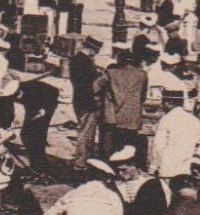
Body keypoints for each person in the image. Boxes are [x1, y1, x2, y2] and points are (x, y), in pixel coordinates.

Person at [101, 45, 149, 166]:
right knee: (128, 148)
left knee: (111, 148)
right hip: (133, 117)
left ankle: (111, 169)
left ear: (118, 60)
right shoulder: (142, 74)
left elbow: (95, 88)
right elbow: (143, 96)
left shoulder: (110, 72)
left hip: (113, 117)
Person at [13, 68, 60, 176]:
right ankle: (39, 166)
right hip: (41, 102)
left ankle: (39, 168)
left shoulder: (31, 94)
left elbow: (39, 111)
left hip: (45, 104)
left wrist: (39, 114)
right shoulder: (21, 88)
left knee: (30, 135)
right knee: (32, 135)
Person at [68, 37, 104, 168]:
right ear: (91, 49)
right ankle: (81, 162)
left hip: (78, 99)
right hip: (88, 102)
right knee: (86, 133)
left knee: (84, 131)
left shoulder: (76, 59)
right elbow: (91, 83)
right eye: (96, 51)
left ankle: (82, 159)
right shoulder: (86, 62)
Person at [150, 95, 200, 179]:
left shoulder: (167, 119)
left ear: (169, 103)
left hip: (167, 166)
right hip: (186, 167)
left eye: (163, 103)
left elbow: (158, 145)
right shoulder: (194, 120)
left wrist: (153, 167)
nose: (162, 106)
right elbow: (198, 143)